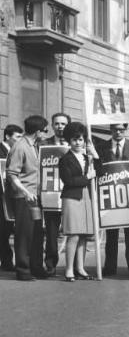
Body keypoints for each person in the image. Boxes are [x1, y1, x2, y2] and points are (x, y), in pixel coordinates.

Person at [96, 123, 129, 277]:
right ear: (111, 130)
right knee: (111, 236)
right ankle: (110, 267)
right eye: (115, 130)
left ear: (126, 130)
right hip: (110, 196)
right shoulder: (101, 146)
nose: (118, 132)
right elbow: (98, 168)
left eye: (121, 130)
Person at [6, 115, 49, 281]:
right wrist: (25, 192)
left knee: (37, 232)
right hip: (24, 197)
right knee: (24, 233)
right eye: (45, 130)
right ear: (38, 132)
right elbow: (12, 174)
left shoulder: (35, 146)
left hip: (35, 196)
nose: (46, 133)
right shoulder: (20, 146)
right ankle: (22, 269)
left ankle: (36, 267)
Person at [59, 122, 98, 282]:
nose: (77, 142)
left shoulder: (87, 158)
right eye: (74, 139)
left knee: (83, 235)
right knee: (73, 234)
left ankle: (80, 268)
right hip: (72, 197)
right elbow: (68, 180)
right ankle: (69, 270)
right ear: (69, 140)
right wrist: (87, 177)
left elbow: (100, 171)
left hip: (87, 197)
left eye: (80, 139)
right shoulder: (65, 159)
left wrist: (94, 154)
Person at [40, 112, 71, 276]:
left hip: (70, 193)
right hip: (51, 194)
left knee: (74, 231)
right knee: (51, 232)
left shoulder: (74, 144)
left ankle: (73, 266)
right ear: (52, 125)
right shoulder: (44, 144)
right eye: (57, 123)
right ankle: (50, 264)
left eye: (63, 124)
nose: (60, 127)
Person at [0, 124, 23, 271]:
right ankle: (7, 261)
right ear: (8, 137)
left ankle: (7, 260)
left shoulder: (17, 151)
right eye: (17, 137)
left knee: (7, 228)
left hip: (11, 195)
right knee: (3, 229)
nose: (20, 140)